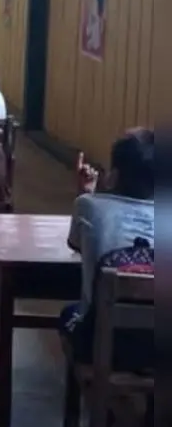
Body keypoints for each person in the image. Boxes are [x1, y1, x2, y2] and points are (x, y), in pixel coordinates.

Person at [65, 130, 155, 318]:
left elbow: (76, 244)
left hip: (100, 336)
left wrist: (86, 193)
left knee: (69, 313)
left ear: (113, 175)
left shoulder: (87, 205)